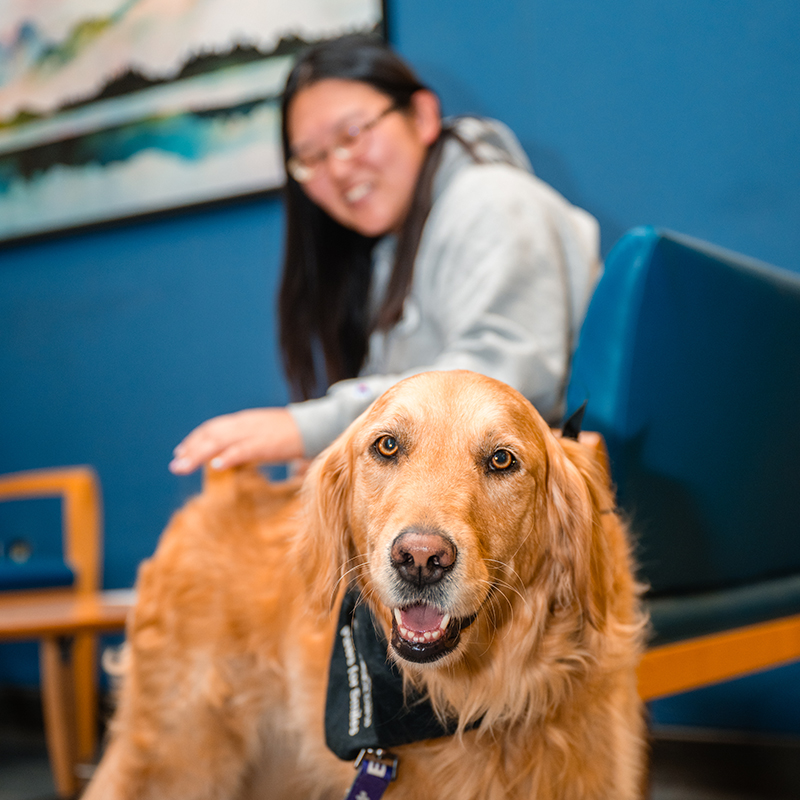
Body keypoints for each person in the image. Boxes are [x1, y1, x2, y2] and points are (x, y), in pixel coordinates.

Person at [169, 35, 601, 476]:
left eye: (352, 134)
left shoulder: (494, 201)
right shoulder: (392, 250)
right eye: (310, 158)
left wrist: (310, 427)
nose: (336, 169)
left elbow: (496, 384)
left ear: (422, 116)